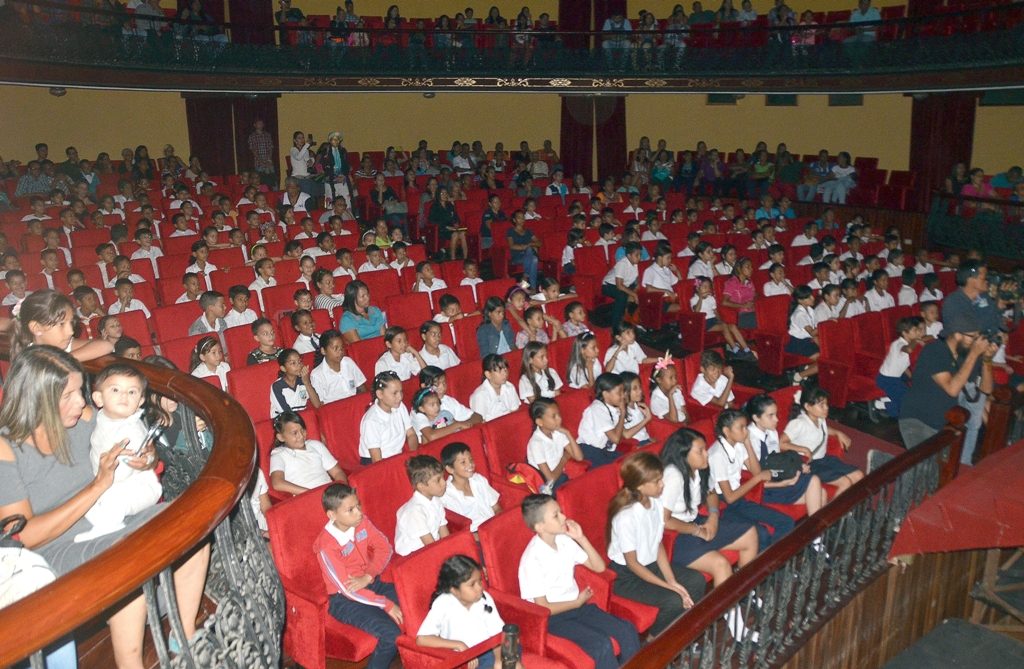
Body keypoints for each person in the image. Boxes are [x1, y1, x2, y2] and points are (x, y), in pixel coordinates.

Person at [0, 346, 209, 667]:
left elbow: (133, 438)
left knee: (191, 523)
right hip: (57, 548)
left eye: (80, 391)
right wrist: (97, 485)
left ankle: (184, 635)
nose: (82, 402)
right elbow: (23, 537)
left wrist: (147, 457)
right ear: (38, 399)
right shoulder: (6, 449)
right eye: (68, 395)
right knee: (126, 562)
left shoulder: (81, 418)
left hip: (113, 517)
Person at [518, 494, 640, 669]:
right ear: (540, 526)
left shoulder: (564, 540)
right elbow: (543, 608)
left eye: (560, 511)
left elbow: (598, 567)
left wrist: (581, 538)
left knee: (626, 629)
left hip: (579, 606)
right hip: (554, 618)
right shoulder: (532, 559)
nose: (564, 517)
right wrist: (576, 603)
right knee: (601, 645)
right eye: (556, 515)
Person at [606, 452, 706, 636]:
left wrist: (671, 580)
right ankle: (655, 642)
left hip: (650, 564)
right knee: (673, 599)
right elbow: (633, 564)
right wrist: (669, 587)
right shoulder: (626, 517)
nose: (663, 484)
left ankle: (683, 632)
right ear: (640, 485)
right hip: (627, 576)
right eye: (657, 481)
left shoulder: (655, 502)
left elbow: (657, 543)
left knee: (696, 581)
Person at [315, 483, 402, 669]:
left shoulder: (361, 522)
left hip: (369, 583)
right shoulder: (327, 546)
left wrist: (369, 575)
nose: (359, 512)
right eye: (350, 510)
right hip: (344, 600)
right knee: (391, 634)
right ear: (332, 515)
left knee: (411, 603)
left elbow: (384, 547)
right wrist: (386, 604)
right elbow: (347, 589)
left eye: (358, 505)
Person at [77, 364, 163, 542]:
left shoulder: (131, 430)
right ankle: (102, 521)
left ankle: (110, 528)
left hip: (138, 486)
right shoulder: (103, 417)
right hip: (108, 481)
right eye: (115, 390)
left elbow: (125, 471)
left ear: (140, 401)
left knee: (112, 499)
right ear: (99, 399)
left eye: (132, 392)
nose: (124, 396)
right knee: (88, 503)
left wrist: (147, 457)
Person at [899, 310, 996, 451]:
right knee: (924, 467)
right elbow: (952, 389)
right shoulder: (935, 350)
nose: (975, 342)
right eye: (972, 337)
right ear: (957, 334)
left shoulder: (967, 355)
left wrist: (987, 359)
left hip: (943, 424)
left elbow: (986, 389)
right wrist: (974, 354)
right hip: (917, 420)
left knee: (944, 470)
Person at [416, 554, 510, 667]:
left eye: (480, 581)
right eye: (472, 585)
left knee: (512, 661)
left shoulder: (484, 598)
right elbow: (422, 639)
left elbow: (497, 634)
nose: (480, 587)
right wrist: (458, 645)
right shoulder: (443, 604)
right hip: (466, 658)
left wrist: (498, 660)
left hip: (490, 649)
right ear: (454, 590)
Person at [394, 455, 450, 556]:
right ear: (422, 486)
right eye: (438, 480)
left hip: (431, 546)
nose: (444, 483)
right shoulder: (414, 511)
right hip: (413, 555)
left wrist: (452, 551)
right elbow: (429, 544)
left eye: (443, 477)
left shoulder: (436, 500)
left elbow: (444, 531)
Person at [439, 442, 501, 533]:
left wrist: (500, 525)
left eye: (471, 460)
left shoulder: (479, 480)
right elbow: (459, 530)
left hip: (494, 526)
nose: (470, 465)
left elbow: (497, 508)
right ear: (450, 469)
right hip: (475, 534)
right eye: (463, 462)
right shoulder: (446, 495)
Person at [247, 118, 277, 189]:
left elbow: (270, 148)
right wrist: (261, 161)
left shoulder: (267, 135)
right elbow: (253, 150)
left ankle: (275, 194)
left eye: (262, 123)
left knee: (273, 180)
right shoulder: (252, 136)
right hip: (258, 163)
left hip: (269, 162)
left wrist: (268, 160)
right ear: (254, 125)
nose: (260, 125)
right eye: (258, 123)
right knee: (261, 180)